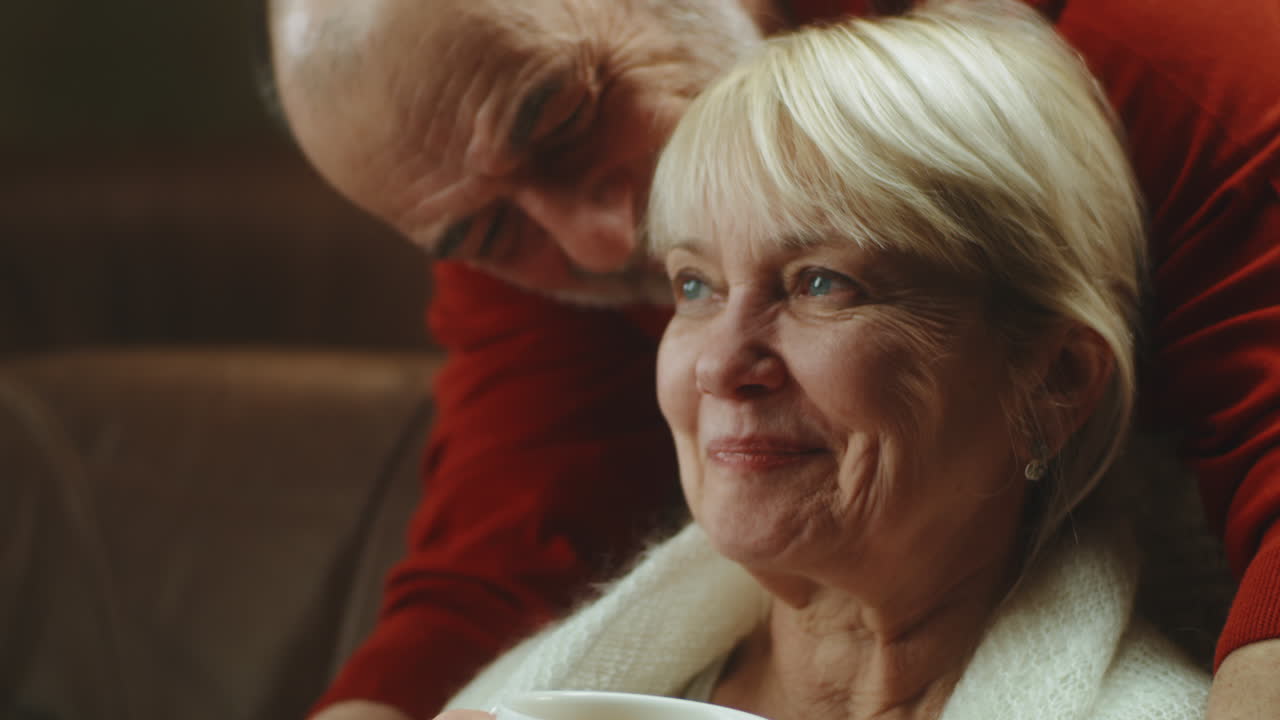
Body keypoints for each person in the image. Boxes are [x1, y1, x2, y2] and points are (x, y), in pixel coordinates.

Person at [266, 0, 1280, 718]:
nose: (605, 241)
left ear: (1054, 377)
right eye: (692, 282)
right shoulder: (508, 190)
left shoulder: (1171, 57)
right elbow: (503, 541)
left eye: (819, 280)